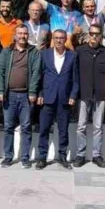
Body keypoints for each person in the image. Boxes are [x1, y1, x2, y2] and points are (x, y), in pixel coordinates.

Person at [0, 24, 41, 167]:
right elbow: (0, 72)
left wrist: (33, 91)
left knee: (26, 127)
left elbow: (36, 73)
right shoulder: (7, 51)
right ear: (15, 35)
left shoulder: (33, 52)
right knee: (8, 126)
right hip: (9, 95)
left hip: (26, 96)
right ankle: (8, 156)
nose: (22, 36)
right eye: (20, 34)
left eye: (25, 34)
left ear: (28, 36)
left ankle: (25, 157)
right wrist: (0, 90)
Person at [36, 30, 79, 169]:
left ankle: (62, 156)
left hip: (64, 99)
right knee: (44, 129)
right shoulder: (45, 54)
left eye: (61, 38)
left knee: (63, 130)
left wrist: (73, 96)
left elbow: (75, 80)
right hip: (47, 98)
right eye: (56, 38)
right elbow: (39, 76)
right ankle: (42, 157)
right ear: (52, 39)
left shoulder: (72, 56)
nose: (59, 41)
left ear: (66, 39)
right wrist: (40, 93)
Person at [74, 24, 105, 167]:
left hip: (100, 95)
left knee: (98, 127)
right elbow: (75, 73)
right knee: (81, 126)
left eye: (97, 34)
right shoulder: (80, 51)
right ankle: (80, 155)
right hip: (84, 94)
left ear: (101, 35)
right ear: (88, 34)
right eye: (92, 33)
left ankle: (96, 155)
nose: (94, 36)